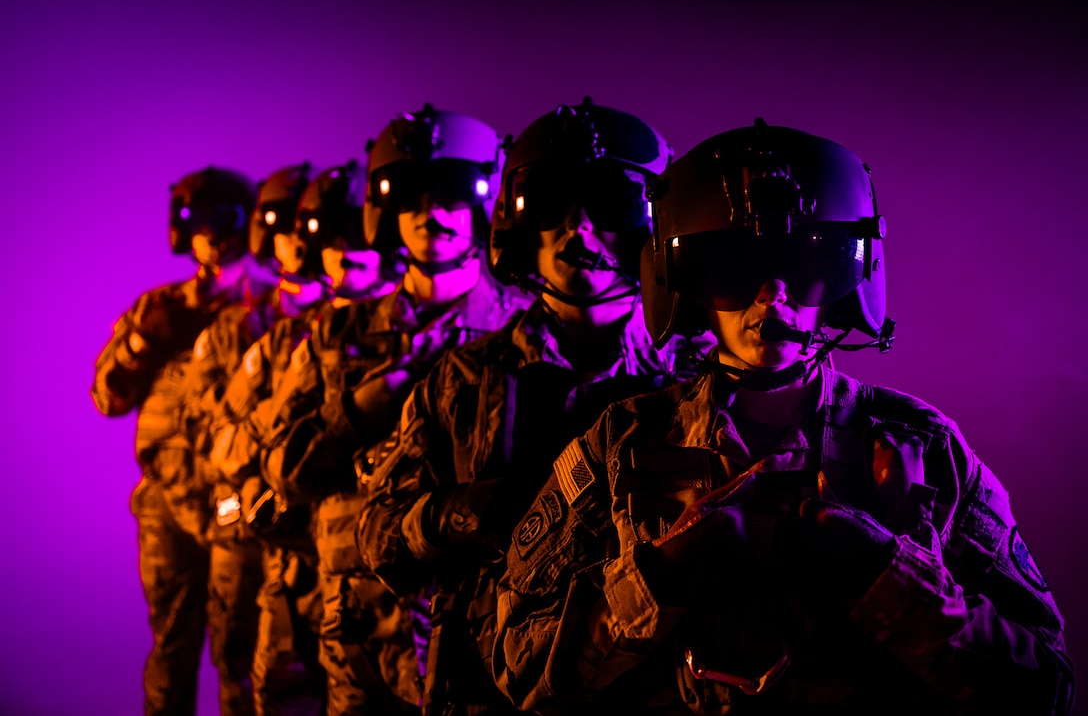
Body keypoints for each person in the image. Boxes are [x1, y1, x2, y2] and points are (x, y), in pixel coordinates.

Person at [492, 120, 1075, 714]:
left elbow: (1045, 683)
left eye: (803, 260)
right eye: (737, 265)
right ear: (684, 277)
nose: (772, 292)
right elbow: (517, 666)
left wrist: (886, 574)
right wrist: (659, 577)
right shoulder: (621, 444)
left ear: (849, 275)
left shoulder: (923, 447)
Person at [354, 98, 710, 716]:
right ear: (516, 224)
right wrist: (454, 514)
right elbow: (376, 536)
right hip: (483, 689)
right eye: (550, 204)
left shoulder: (698, 380)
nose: (578, 228)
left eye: (612, 204)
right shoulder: (464, 379)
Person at [261, 105, 525, 715]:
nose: (431, 212)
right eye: (409, 195)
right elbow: (281, 466)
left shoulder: (522, 330)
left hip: (479, 633)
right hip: (355, 627)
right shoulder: (335, 334)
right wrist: (358, 408)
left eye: (454, 192)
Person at [208, 160, 401, 715]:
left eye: (356, 236)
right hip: (303, 565)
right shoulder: (292, 341)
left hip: (393, 588)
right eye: (329, 239)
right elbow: (229, 444)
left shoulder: (423, 335)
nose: (343, 252)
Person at [92, 166, 273, 716]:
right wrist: (143, 343)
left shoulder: (271, 308)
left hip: (238, 501)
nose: (213, 234)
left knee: (240, 651)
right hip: (165, 504)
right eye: (200, 222)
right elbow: (107, 398)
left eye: (226, 220)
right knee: (171, 649)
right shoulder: (159, 306)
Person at [182, 162, 323, 716]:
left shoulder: (355, 323)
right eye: (285, 230)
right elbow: (202, 428)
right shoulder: (238, 329)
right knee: (241, 668)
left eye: (310, 228)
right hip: (242, 522)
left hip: (316, 538)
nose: (299, 243)